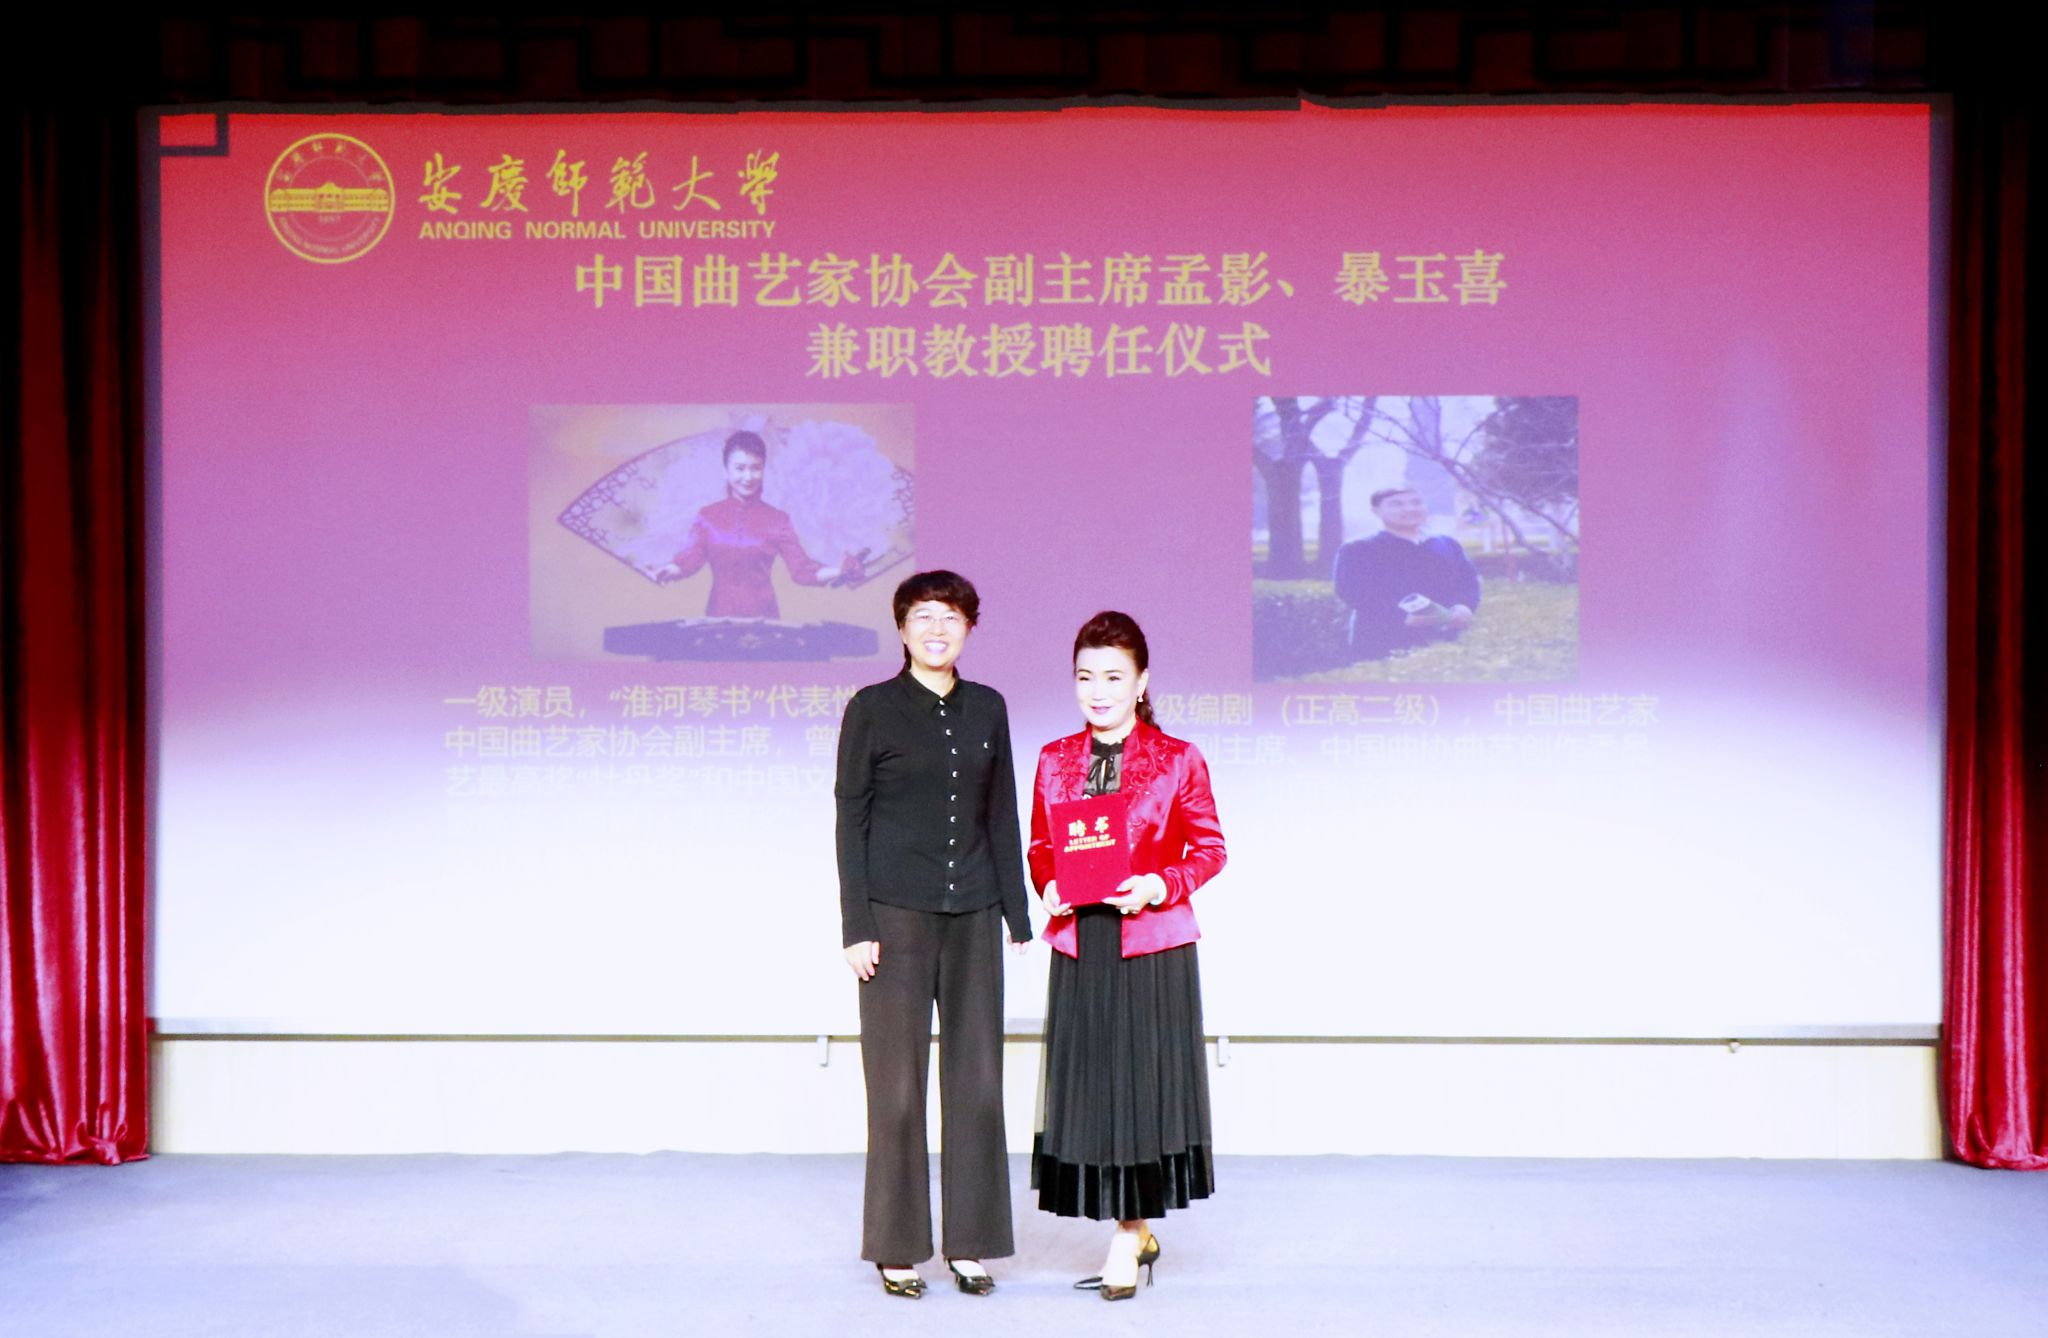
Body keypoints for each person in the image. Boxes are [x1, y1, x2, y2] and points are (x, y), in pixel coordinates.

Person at [834, 570, 1033, 1299]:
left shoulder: (989, 707)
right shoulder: (872, 709)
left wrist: (1016, 911)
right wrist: (857, 925)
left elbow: (1002, 812)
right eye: (922, 616)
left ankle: (971, 1245)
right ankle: (897, 1247)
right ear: (901, 628)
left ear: (969, 628)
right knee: (896, 1090)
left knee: (978, 1086)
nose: (937, 629)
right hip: (894, 917)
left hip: (975, 911)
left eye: (950, 616)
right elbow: (849, 819)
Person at [1028, 611, 1226, 1302]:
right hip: (1082, 941)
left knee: (1140, 1087)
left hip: (1150, 942)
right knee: (1094, 1085)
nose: (1098, 691)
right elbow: (1041, 847)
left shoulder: (1177, 758)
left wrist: (1158, 884)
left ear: (1142, 681)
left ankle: (1128, 1230)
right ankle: (1132, 1230)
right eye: (1086, 677)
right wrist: (1048, 885)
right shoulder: (1054, 758)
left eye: (1114, 677)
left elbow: (1210, 850)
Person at [654, 430, 862, 618]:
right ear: (726, 471)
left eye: (755, 468)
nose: (748, 477)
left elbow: (802, 570)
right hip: (718, 616)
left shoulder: (778, 519)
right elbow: (690, 559)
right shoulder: (707, 516)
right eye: (740, 468)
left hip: (764, 619)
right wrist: (669, 569)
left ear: (763, 470)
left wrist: (840, 571)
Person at [1330, 486, 1480, 660]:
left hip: (1444, 636)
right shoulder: (1358, 549)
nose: (1409, 509)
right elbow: (1352, 591)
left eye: (1416, 503)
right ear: (1376, 511)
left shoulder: (1446, 544)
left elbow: (1468, 581)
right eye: (1397, 504)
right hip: (1381, 638)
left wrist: (1465, 606)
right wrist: (1402, 616)